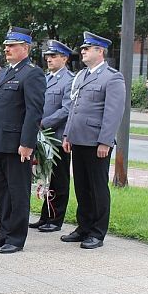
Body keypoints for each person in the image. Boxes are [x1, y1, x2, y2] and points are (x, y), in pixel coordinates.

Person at [0, 27, 45, 254]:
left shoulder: (32, 73)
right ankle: (4, 233)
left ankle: (16, 238)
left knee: (17, 192)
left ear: (25, 48)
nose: (7, 49)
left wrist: (27, 143)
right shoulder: (6, 72)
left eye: (12, 45)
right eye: (6, 45)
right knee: (2, 191)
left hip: (17, 144)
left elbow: (33, 111)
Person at [61, 32, 125, 249]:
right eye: (83, 49)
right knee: (82, 186)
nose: (83, 52)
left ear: (100, 51)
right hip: (78, 139)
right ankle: (84, 226)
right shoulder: (80, 76)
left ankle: (97, 232)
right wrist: (67, 134)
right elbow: (73, 109)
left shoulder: (112, 77)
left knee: (97, 187)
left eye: (87, 49)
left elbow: (113, 113)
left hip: (96, 142)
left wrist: (105, 142)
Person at [29, 40, 74, 232]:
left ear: (64, 58)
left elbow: (66, 109)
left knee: (59, 179)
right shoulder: (45, 78)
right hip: (41, 137)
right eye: (48, 56)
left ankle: (55, 219)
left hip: (56, 137)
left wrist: (43, 123)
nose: (49, 59)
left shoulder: (69, 79)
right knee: (44, 178)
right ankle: (45, 216)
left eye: (54, 56)